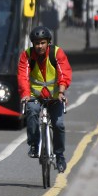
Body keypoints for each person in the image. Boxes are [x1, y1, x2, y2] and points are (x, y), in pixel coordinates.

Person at [18, 25, 73, 173]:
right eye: (37, 43)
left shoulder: (57, 53)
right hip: (35, 96)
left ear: (48, 42)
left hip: (55, 97)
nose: (40, 46)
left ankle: (60, 155)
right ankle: (34, 144)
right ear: (33, 44)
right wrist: (25, 94)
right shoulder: (27, 55)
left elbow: (64, 73)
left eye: (43, 42)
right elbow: (23, 76)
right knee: (32, 111)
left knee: (59, 124)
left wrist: (61, 92)